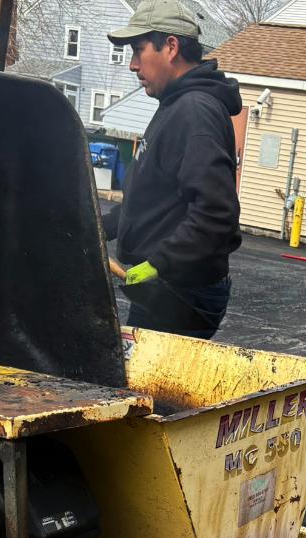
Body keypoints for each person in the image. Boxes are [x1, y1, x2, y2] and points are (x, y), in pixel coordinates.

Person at [103, 0, 241, 339]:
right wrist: (94, 226)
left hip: (179, 293)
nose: (133, 64)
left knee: (153, 375)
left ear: (171, 47)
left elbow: (216, 214)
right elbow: (153, 201)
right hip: (164, 287)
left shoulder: (195, 111)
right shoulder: (175, 104)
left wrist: (159, 263)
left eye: (139, 50)